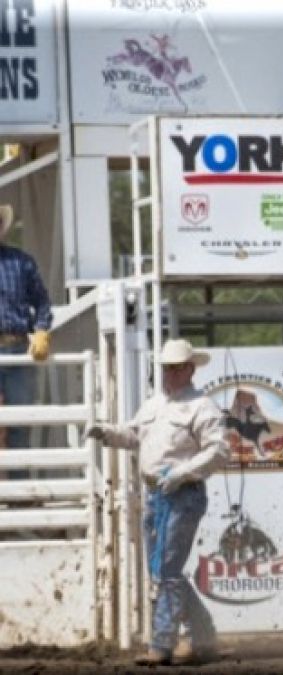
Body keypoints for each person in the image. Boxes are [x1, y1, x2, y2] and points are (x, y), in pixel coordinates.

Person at [85, 339, 227, 666]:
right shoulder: (154, 405)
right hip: (157, 493)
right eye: (167, 367)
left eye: (177, 367)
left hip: (184, 494)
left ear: (190, 369)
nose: (170, 373)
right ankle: (202, 637)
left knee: (165, 570)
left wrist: (183, 471)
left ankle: (162, 645)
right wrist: (107, 433)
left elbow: (219, 451)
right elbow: (135, 435)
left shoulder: (201, 406)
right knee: (165, 569)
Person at [0, 203, 53, 469]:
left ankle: (20, 493)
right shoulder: (21, 262)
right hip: (14, 351)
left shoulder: (21, 263)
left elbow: (42, 302)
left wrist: (41, 330)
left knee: (19, 421)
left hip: (16, 347)